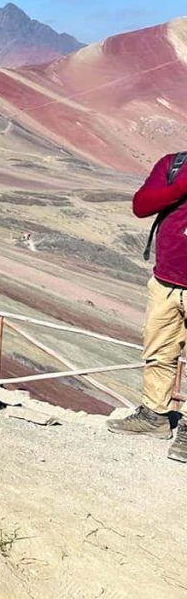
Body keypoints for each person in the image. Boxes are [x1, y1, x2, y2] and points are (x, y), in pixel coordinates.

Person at [107, 152, 187, 462]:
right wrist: (182, 185)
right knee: (158, 351)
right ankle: (154, 416)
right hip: (165, 282)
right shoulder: (174, 164)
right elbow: (142, 206)